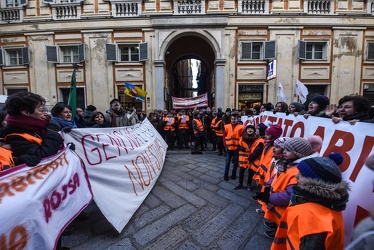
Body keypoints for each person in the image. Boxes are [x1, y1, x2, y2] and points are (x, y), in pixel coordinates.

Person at [271, 153, 349, 250]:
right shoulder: (318, 202)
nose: (297, 176)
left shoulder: (315, 218)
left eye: (302, 174)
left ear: (315, 182)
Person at [234, 124, 260, 190]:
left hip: (251, 158)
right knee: (241, 171)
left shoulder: (256, 139)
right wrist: (243, 149)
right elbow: (238, 146)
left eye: (251, 129)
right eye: (248, 129)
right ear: (246, 130)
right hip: (243, 159)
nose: (250, 130)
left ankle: (249, 184)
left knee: (250, 172)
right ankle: (240, 183)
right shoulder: (242, 138)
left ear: (254, 131)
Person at [223, 112, 245, 181]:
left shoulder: (241, 127)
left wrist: (240, 145)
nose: (233, 120)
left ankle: (233, 174)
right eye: (232, 119)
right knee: (227, 161)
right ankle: (225, 174)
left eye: (234, 119)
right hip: (228, 147)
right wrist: (225, 144)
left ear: (238, 119)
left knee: (235, 162)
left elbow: (242, 137)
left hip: (236, 147)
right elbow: (224, 136)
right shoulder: (227, 126)